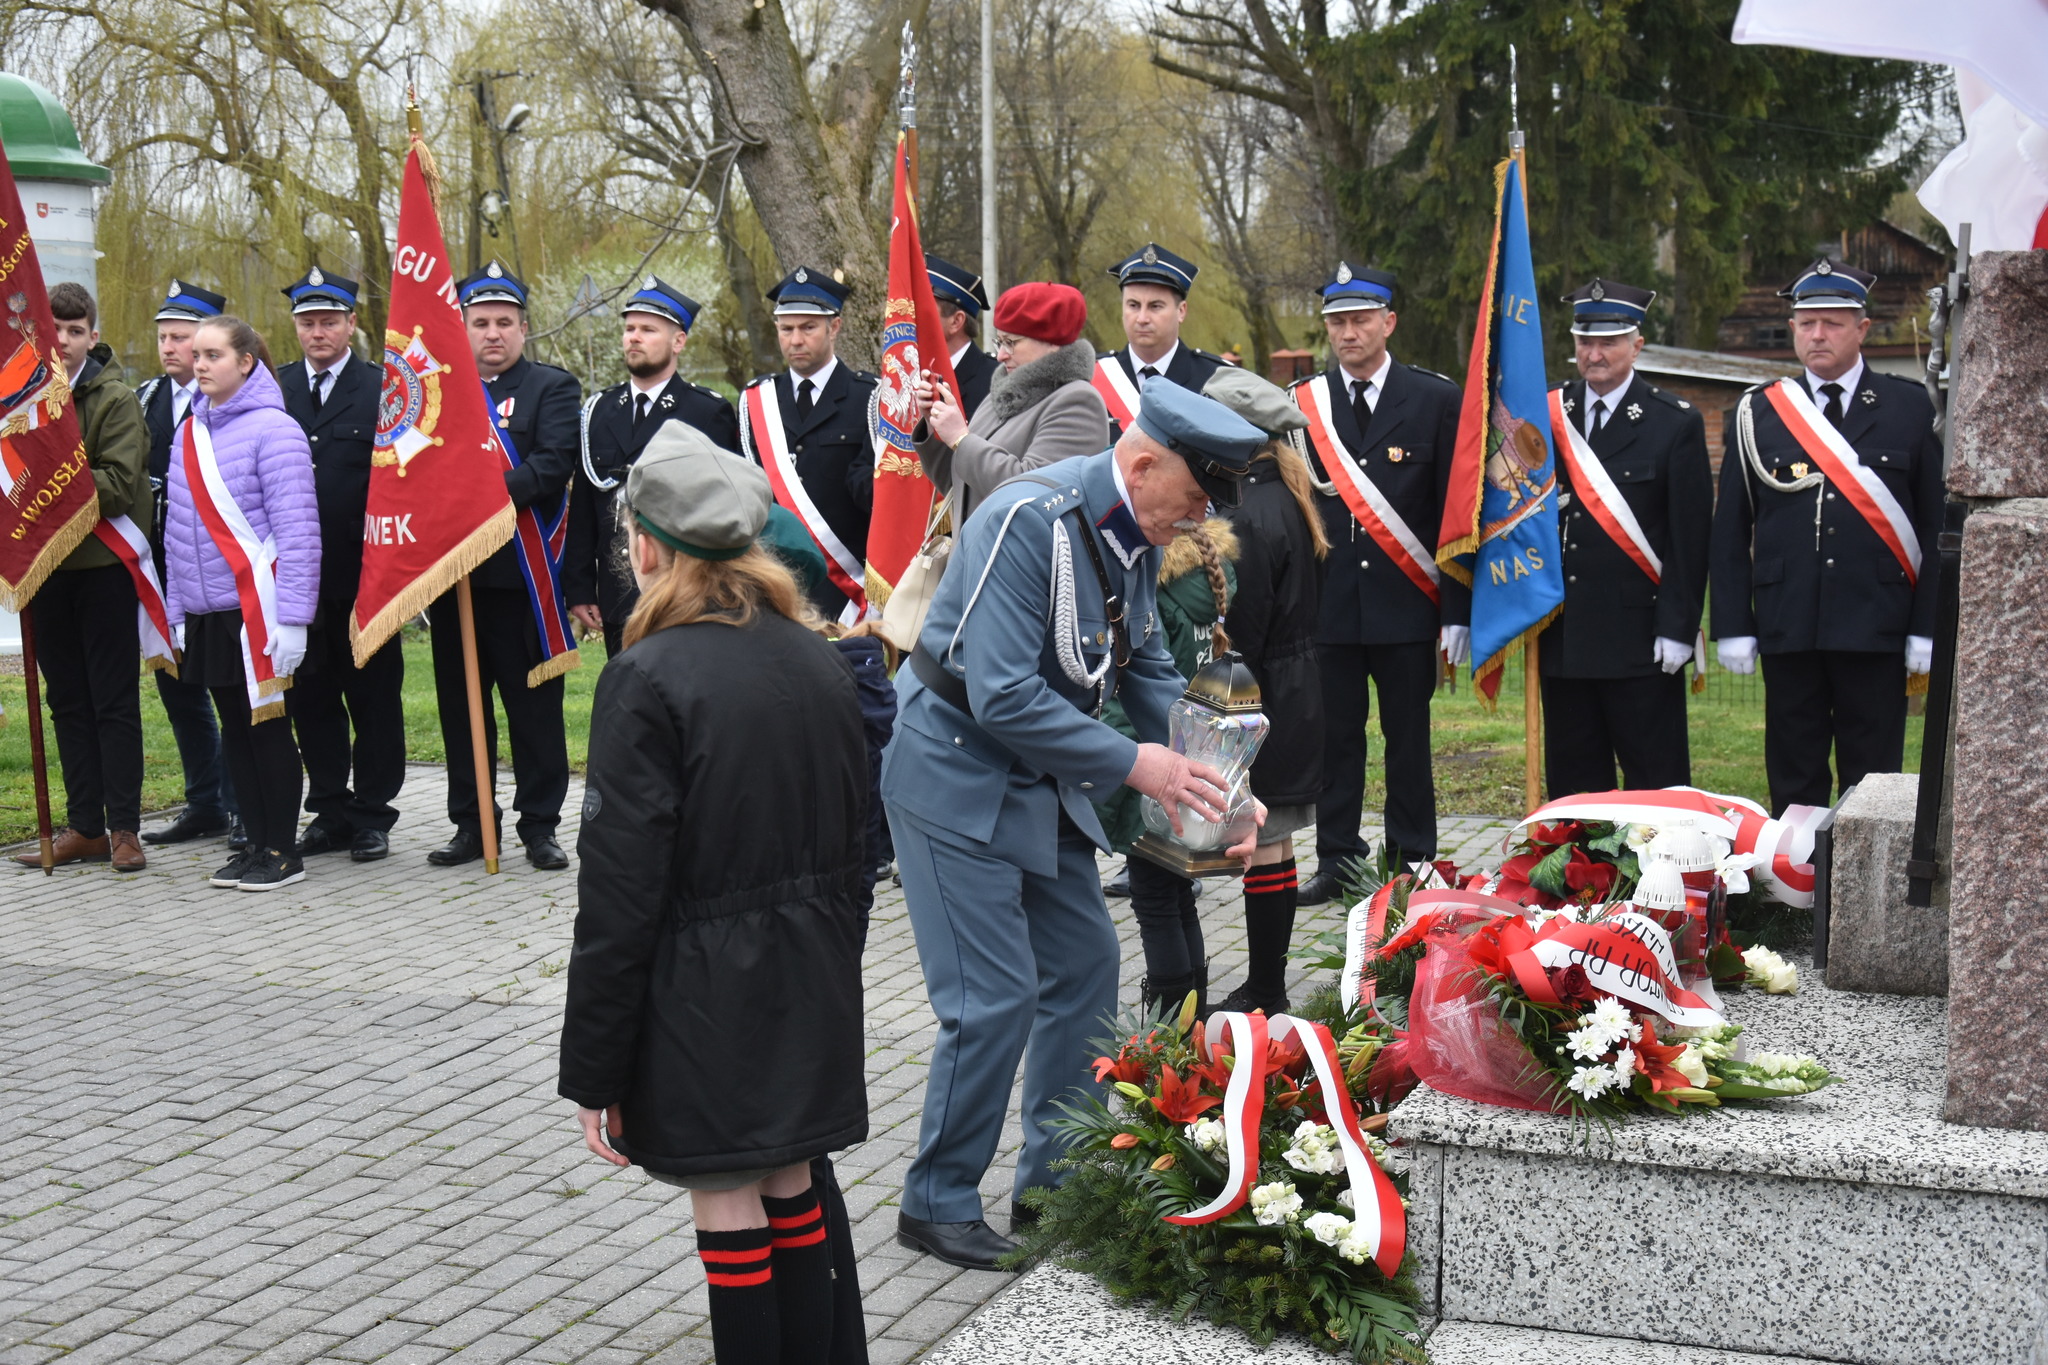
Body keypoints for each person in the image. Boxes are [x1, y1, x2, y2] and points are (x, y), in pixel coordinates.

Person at [884, 378, 1266, 1271]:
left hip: (1036, 780)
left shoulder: (1129, 533)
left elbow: (1152, 674)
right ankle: (935, 1198)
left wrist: (1218, 783)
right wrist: (1146, 766)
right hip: (953, 772)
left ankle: (1051, 1185)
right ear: (1140, 465)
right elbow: (1003, 693)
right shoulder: (1034, 521)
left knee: (1089, 963)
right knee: (992, 995)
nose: (1201, 521)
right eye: (1197, 498)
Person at [559, 423, 870, 1365]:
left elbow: (620, 889)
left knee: (732, 1203)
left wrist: (594, 1067)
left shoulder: (646, 676)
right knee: (791, 1184)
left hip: (704, 990)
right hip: (810, 969)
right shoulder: (819, 657)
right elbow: (860, 841)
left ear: (648, 546)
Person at [1710, 259, 1942, 813]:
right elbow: (1730, 529)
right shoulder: (1757, 413)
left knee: (1874, 774)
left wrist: (1926, 628)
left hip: (1877, 624)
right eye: (1807, 322)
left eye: (1833, 323)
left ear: (1862, 328)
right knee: (1794, 771)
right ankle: (1797, 893)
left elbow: (1936, 528)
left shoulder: (1908, 408)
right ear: (1792, 328)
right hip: (1789, 623)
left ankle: (1864, 896)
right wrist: (1733, 625)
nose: (1818, 334)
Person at [1290, 263, 1467, 905]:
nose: (1348, 333)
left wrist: (1457, 609)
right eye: (1337, 322)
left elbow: (1453, 514)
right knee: (1335, 742)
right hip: (1330, 608)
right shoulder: (1301, 403)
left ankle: (1412, 859)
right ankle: (1337, 858)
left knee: (1408, 741)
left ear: (1388, 322)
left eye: (1361, 319)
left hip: (1407, 606)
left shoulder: (1435, 400)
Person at [427, 262, 582, 870]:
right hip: (457, 580)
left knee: (534, 711)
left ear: (524, 327)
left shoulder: (552, 387)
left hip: (524, 580)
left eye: (504, 322)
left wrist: (478, 502)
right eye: (480, 322)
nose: (492, 333)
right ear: (462, 327)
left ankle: (539, 826)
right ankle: (471, 823)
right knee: (463, 710)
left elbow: (552, 463)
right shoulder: (439, 392)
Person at [161, 316, 320, 891]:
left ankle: (283, 848)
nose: (198, 363)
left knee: (268, 728)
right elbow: (176, 531)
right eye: (193, 354)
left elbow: (298, 530)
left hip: (260, 611)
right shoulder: (188, 433)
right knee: (235, 729)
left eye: (212, 355)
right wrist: (178, 610)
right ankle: (254, 843)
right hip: (209, 613)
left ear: (246, 361)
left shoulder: (274, 431)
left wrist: (295, 619)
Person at [1539, 279, 1713, 796]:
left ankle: (1660, 880)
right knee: (1575, 790)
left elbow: (1690, 537)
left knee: (1654, 785)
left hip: (1642, 640)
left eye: (1609, 341)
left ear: (1636, 345)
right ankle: (1580, 879)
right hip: (1565, 636)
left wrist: (1679, 627)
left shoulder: (1673, 424)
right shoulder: (1546, 417)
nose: (1594, 354)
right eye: (1584, 341)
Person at [1203, 366, 1331, 1015]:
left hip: (1262, 690)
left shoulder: (1248, 514)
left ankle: (1266, 985)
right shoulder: (1288, 490)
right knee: (1277, 842)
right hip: (1298, 683)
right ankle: (1268, 981)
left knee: (1264, 844)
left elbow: (1240, 627)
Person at [11, 283, 151, 872]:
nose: (63, 342)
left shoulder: (114, 399)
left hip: (103, 569)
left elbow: (118, 486)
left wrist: (50, 477)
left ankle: (123, 828)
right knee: (65, 700)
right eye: (54, 330)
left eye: (74, 331)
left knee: (111, 701)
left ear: (93, 336)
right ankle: (85, 825)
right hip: (47, 570)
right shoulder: (23, 400)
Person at [275, 267, 405, 863]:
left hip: (366, 578)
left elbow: (404, 483)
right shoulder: (273, 391)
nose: (318, 331)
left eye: (329, 320)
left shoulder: (383, 389)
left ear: (352, 323)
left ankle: (373, 815)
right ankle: (329, 809)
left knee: (375, 699)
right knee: (312, 697)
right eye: (308, 321)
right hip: (298, 579)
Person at [1089, 515, 1238, 1018]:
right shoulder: (1208, 588)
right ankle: (1193, 1008)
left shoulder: (1159, 597)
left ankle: (1172, 1017)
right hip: (1194, 753)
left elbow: (1134, 686)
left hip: (1152, 760)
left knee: (1154, 898)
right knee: (1178, 893)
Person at [564, 276, 741, 658]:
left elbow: (725, 509)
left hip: (684, 590)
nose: (634, 338)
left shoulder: (707, 412)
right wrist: (579, 587)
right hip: (616, 592)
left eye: (648, 329)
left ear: (679, 342)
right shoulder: (598, 411)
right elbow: (583, 507)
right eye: (629, 329)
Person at [137, 278, 244, 852]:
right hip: (157, 566)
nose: (171, 348)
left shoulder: (223, 403)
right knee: (179, 689)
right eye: (165, 337)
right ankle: (203, 801)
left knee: (230, 689)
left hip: (216, 570)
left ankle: (239, 804)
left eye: (182, 337)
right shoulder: (146, 398)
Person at [737, 267, 879, 624]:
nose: (795, 340)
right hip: (776, 578)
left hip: (848, 586)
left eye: (808, 328)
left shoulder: (871, 398)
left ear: (834, 328)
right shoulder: (757, 400)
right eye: (786, 329)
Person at [913, 281, 1110, 520]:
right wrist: (935, 426)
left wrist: (960, 439)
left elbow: (1032, 493)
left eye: (1011, 342)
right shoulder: (1003, 392)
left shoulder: (1078, 401)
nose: (1000, 355)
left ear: (1052, 343)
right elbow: (960, 488)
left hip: (1026, 557)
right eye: (999, 342)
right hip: (978, 553)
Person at [1093, 243, 1225, 439]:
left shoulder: (1215, 381)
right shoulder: (1093, 379)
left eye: (1155, 306)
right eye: (1133, 305)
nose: (1142, 318)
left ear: (1181, 311)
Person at [926, 253, 997, 417]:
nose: (914, 318)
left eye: (926, 311)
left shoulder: (995, 382)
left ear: (956, 322)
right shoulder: (913, 372)